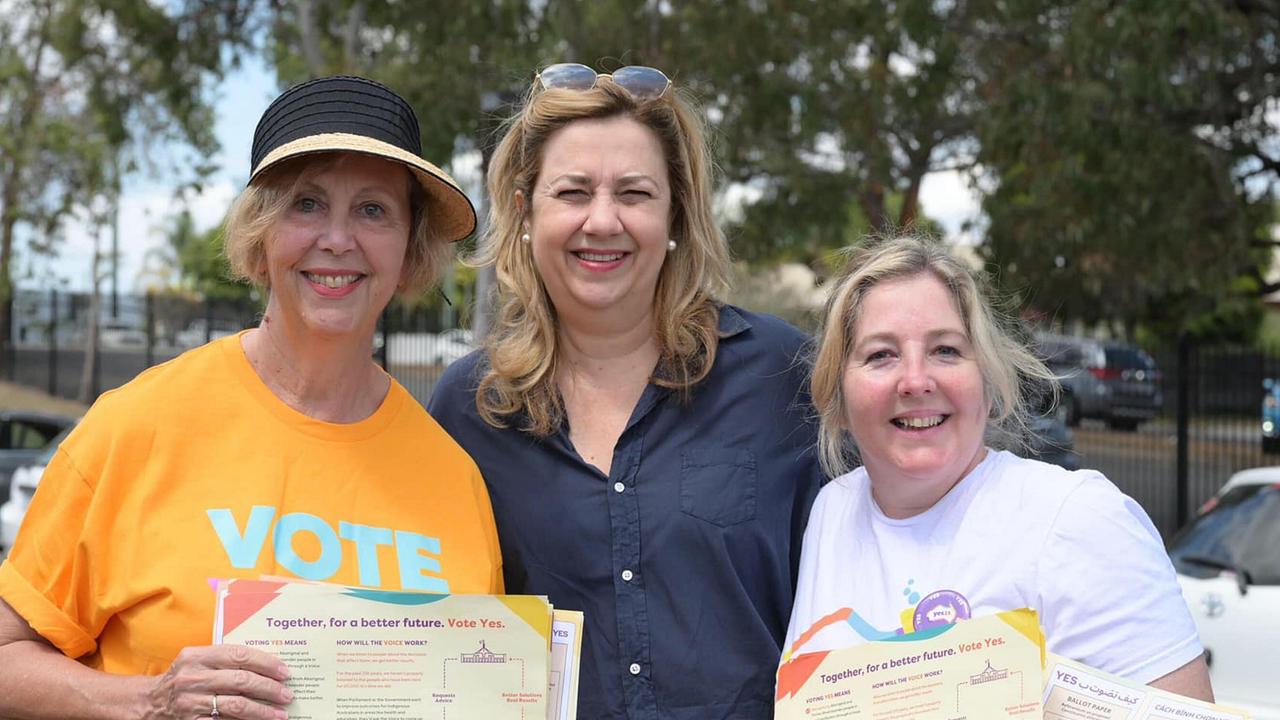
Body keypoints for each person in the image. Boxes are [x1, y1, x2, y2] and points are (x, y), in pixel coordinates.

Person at [0, 75, 503, 719]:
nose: (338, 239)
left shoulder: (453, 478)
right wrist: (149, 703)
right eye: (307, 204)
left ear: (409, 249)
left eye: (373, 210)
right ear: (260, 234)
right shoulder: (137, 425)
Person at [427, 63, 824, 719]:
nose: (603, 221)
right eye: (573, 192)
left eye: (635, 193)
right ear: (526, 213)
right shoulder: (468, 408)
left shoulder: (783, 376)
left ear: (677, 213)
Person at [785, 234, 1213, 700]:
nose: (915, 380)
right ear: (838, 397)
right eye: (880, 354)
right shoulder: (832, 512)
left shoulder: (1076, 519)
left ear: (987, 383)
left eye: (945, 349)